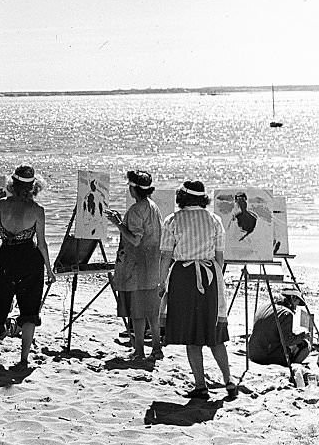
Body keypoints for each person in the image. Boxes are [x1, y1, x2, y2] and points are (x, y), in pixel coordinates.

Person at [158, 180, 235, 399]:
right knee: (214, 332)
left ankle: (201, 385)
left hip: (183, 276)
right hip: (209, 276)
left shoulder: (172, 220)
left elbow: (165, 255)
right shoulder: (214, 220)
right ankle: (229, 380)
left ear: (182, 197)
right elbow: (220, 257)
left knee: (192, 336)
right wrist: (216, 282)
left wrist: (161, 283)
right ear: (203, 199)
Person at [0, 166, 55, 369]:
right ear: (34, 187)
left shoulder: (3, 205)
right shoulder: (37, 210)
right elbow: (41, 244)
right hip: (30, 262)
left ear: (12, 184)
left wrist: (0, 258)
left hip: (8, 258)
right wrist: (49, 269)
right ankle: (24, 358)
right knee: (29, 310)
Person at [105, 170, 163, 361]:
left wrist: (117, 224)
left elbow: (135, 240)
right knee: (152, 311)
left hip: (138, 266)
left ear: (133, 188)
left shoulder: (137, 209)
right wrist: (122, 221)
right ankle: (156, 347)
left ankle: (139, 350)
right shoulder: (152, 206)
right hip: (152, 264)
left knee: (137, 313)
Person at [248, 292, 311, 366]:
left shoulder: (263, 306)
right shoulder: (286, 313)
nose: (295, 307)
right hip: (265, 356)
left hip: (252, 353)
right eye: (296, 304)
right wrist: (303, 336)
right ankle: (292, 365)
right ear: (293, 298)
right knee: (305, 345)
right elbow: (287, 341)